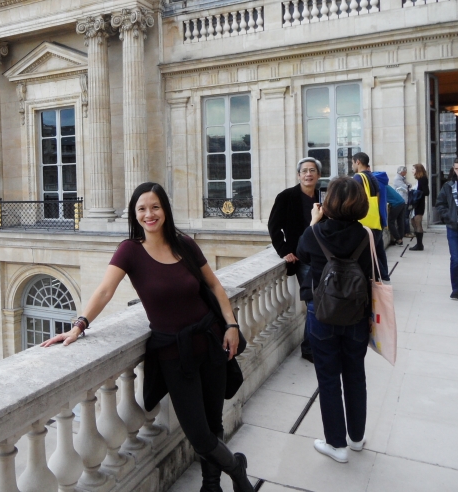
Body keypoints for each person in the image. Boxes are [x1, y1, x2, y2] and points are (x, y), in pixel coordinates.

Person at [41, 182, 253, 492]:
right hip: (174, 353)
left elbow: (215, 286)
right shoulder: (130, 250)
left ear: (165, 209)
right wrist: (79, 325)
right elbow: (105, 290)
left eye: (155, 207)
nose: (149, 214)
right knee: (198, 433)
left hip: (210, 341)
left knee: (213, 421)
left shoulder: (185, 244)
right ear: (134, 213)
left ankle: (211, 485)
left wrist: (231, 325)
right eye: (142, 209)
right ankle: (236, 468)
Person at [296, 176, 373, 463]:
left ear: (328, 203)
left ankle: (336, 444)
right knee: (356, 375)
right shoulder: (366, 235)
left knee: (328, 379)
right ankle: (356, 438)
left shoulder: (314, 234)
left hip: (322, 314)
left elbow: (302, 255)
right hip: (357, 314)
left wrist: (314, 221)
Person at [268, 157, 322, 363]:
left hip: (323, 256)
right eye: (304, 171)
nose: (308, 174)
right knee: (314, 302)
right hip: (302, 257)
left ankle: (316, 342)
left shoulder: (323, 195)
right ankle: (309, 348)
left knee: (321, 301)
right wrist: (284, 250)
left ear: (318, 175)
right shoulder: (286, 196)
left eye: (312, 170)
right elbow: (274, 226)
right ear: (298, 175)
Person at [434, 156, 458, 300]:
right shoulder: (448, 186)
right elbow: (440, 203)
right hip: (453, 228)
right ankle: (455, 289)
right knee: (455, 259)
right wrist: (448, 216)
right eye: (457, 169)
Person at [352, 152, 389, 280]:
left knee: (369, 254)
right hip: (376, 220)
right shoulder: (373, 177)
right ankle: (384, 279)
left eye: (352, 163)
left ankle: (382, 278)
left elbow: (354, 200)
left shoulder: (358, 177)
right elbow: (377, 198)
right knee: (378, 251)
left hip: (365, 222)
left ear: (358, 162)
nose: (352, 166)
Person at [410, 163, 429, 251]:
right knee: (413, 221)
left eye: (413, 169)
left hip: (419, 204)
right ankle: (418, 243)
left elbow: (426, 192)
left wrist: (415, 192)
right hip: (416, 204)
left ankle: (419, 244)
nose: (412, 171)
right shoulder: (419, 179)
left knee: (417, 223)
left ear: (418, 170)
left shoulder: (423, 179)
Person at [392, 166, 411, 238]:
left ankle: (404, 232)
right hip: (401, 199)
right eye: (405, 171)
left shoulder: (403, 178)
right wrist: (407, 186)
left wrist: (408, 185)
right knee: (403, 217)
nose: (406, 173)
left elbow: (409, 185)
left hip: (404, 199)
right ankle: (405, 232)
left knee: (404, 217)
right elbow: (406, 187)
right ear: (402, 172)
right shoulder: (397, 179)